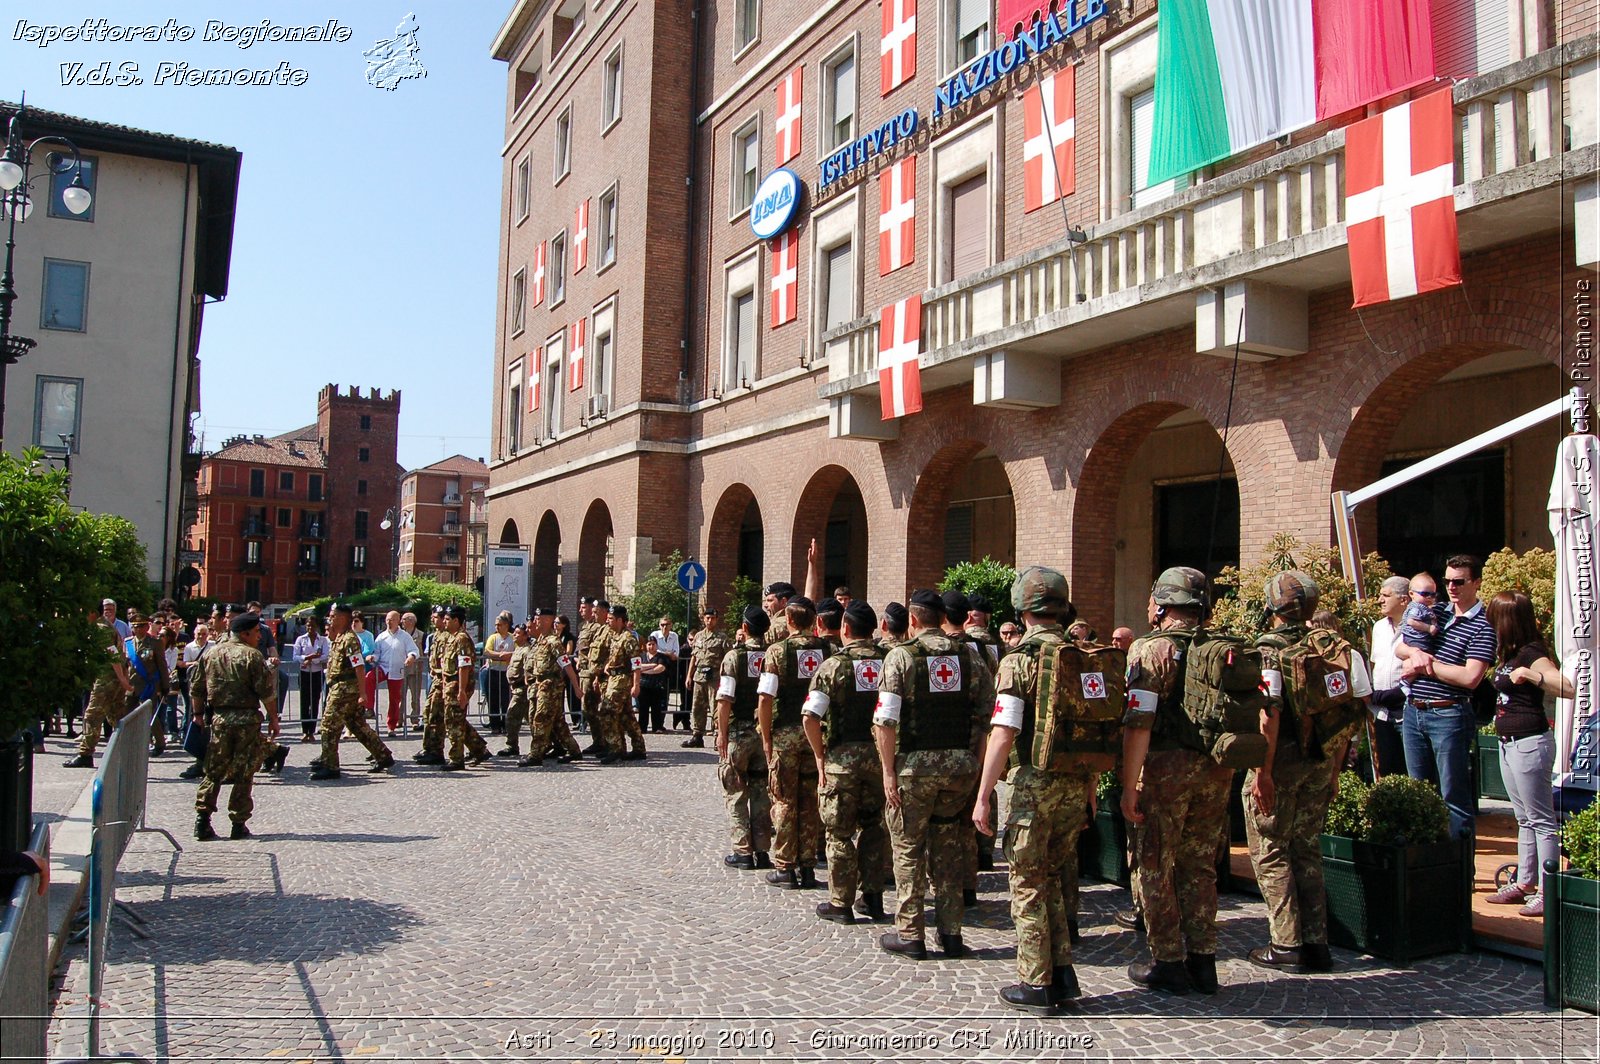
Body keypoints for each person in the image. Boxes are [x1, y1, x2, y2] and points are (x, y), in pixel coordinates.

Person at [973, 565, 1101, 1013]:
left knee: (1027, 884)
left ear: (1022, 610)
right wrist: (1090, 789)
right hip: (1074, 783)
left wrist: (984, 793)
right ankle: (1062, 973)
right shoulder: (1083, 655)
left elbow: (1004, 732)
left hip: (1033, 786)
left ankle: (1035, 981)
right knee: (1055, 882)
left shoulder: (1018, 660)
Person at [1244, 571, 1371, 974]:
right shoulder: (1334, 647)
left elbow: (1269, 714)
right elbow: (1350, 715)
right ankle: (1317, 943)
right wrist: (1333, 769)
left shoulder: (1268, 649)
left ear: (1272, 607)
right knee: (1306, 848)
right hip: (1321, 761)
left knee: (1270, 849)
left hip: (1279, 761)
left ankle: (1285, 944)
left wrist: (1261, 773)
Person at [1121, 567, 1236, 995]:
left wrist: (1129, 784)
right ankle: (1204, 961)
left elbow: (1138, 722)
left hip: (1166, 770)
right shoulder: (1223, 648)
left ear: (1163, 606)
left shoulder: (1150, 650)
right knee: (1200, 865)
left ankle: (1168, 959)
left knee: (1153, 862)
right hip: (1215, 768)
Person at [874, 589, 992, 959]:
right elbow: (989, 717)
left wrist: (888, 771)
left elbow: (885, 720)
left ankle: (911, 933)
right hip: (959, 770)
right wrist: (975, 765)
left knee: (908, 849)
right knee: (949, 849)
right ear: (942, 619)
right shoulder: (971, 657)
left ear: (912, 619)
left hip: (913, 770)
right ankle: (952, 933)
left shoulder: (900, 658)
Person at [1396, 555, 1497, 839]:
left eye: (1459, 581)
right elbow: (1400, 648)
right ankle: (1425, 865)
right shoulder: (1435, 612)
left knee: (1454, 797)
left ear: (1476, 583)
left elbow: (1470, 678)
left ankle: (1460, 873)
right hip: (1414, 711)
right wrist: (1415, 654)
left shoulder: (1484, 626)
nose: (1451, 587)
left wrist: (1427, 665)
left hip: (1449, 714)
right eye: (1447, 581)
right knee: (1418, 795)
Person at [1483, 590, 1571, 918]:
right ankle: (1524, 882)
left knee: (1542, 820)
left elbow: (1567, 686)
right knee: (1523, 819)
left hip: (1530, 743)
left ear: (1507, 620)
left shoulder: (1532, 652)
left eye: (1494, 618)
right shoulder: (1507, 652)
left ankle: (1548, 891)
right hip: (1508, 744)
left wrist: (1532, 675)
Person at [805, 601, 891, 925]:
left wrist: (819, 755)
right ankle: (873, 897)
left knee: (839, 832)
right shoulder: (889, 661)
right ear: (875, 629)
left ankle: (841, 902)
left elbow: (811, 716)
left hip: (841, 760)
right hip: (878, 759)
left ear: (844, 629)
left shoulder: (834, 666)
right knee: (874, 828)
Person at [758, 596, 829, 890]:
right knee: (810, 800)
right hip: (817, 735)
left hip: (786, 734)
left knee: (785, 800)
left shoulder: (777, 652)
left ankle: (785, 866)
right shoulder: (828, 649)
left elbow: (765, 697)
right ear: (815, 622)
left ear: (788, 622)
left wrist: (765, 737)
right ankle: (809, 865)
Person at [190, 611, 279, 840]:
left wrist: (198, 714)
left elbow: (197, 688)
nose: (260, 636)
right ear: (245, 633)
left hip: (219, 719)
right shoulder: (252, 656)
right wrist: (274, 719)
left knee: (213, 771)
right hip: (246, 721)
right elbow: (266, 692)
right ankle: (238, 824)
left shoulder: (211, 654)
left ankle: (202, 820)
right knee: (244, 772)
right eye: (257, 632)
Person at [309, 604, 395, 780]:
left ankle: (331, 765)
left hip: (345, 689)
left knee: (328, 726)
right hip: (339, 687)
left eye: (333, 616)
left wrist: (363, 694)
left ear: (342, 618)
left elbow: (359, 666)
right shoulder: (339, 638)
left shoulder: (349, 639)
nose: (330, 619)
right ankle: (383, 755)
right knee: (357, 725)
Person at [717, 607, 774, 870]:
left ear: (745, 627)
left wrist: (721, 734)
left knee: (736, 791)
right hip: (764, 733)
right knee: (762, 792)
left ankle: (742, 850)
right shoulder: (774, 653)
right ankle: (763, 850)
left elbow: (725, 699)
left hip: (739, 732)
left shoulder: (734, 657)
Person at [65, 607, 133, 768]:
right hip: (112, 676)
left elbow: (112, 653)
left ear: (92, 612)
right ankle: (129, 750)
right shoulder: (105, 626)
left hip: (107, 677)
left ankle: (85, 753)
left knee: (92, 714)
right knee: (116, 714)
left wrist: (122, 679)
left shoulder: (100, 629)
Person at [522, 608, 584, 767]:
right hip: (539, 684)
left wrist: (576, 687)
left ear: (548, 620)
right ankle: (574, 751)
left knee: (541, 719)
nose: (536, 621)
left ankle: (536, 754)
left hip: (550, 687)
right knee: (558, 723)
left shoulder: (554, 642)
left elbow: (566, 665)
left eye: (539, 618)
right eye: (536, 618)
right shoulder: (540, 640)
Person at [1367, 576, 1412, 777]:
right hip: (1382, 713)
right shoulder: (1378, 628)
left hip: (1407, 711)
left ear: (1404, 600)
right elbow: (1376, 664)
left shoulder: (1416, 628)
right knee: (1387, 769)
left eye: (1386, 595)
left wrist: (1398, 693)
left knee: (1410, 769)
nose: (1380, 600)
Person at [438, 605, 493, 770]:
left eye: (448, 619)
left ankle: (456, 758)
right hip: (450, 684)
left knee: (453, 721)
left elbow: (464, 666)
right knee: (457, 720)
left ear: (456, 620)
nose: (444, 622)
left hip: (457, 685)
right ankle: (479, 749)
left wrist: (461, 690)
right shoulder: (451, 637)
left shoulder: (462, 639)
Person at [600, 604, 646, 763]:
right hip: (613, 678)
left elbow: (636, 662)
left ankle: (616, 748)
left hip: (622, 681)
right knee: (626, 716)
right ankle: (639, 748)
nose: (608, 622)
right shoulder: (615, 636)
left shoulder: (628, 638)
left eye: (611, 619)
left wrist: (636, 684)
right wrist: (608, 665)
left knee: (607, 711)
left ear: (620, 620)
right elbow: (615, 657)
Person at [683, 609, 729, 749]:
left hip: (714, 677)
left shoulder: (722, 637)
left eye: (712, 618)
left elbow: (727, 658)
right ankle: (697, 735)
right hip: (699, 676)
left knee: (715, 708)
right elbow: (694, 657)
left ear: (717, 619)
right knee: (697, 707)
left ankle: (718, 736)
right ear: (703, 619)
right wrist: (689, 676)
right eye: (707, 618)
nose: (710, 621)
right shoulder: (698, 636)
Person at [374, 610, 420, 735]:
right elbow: (377, 653)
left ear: (398, 620)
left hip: (397, 670)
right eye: (387, 620)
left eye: (392, 620)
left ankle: (391, 725)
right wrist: (373, 657)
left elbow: (414, 650)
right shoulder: (381, 637)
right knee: (369, 678)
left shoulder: (404, 636)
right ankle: (368, 707)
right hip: (383, 668)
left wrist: (411, 657)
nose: (389, 622)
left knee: (395, 699)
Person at [294, 618, 330, 742]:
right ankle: (305, 731)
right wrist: (307, 657)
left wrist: (314, 660)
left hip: (317, 673)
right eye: (308, 626)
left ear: (317, 627)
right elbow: (295, 656)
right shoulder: (300, 639)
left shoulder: (323, 640)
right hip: (304, 673)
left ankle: (312, 731)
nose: (310, 628)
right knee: (304, 702)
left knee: (315, 702)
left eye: (313, 626)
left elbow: (326, 655)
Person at [484, 612, 516, 734]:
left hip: (506, 673)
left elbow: (517, 651)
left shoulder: (512, 638)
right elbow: (487, 652)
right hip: (493, 671)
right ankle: (494, 725)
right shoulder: (493, 638)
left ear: (506, 625)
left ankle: (506, 724)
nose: (497, 627)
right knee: (493, 700)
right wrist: (501, 656)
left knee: (506, 700)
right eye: (496, 625)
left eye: (500, 625)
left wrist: (509, 655)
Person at [638, 636, 672, 733]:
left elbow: (660, 668)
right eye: (649, 644)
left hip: (656, 686)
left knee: (656, 708)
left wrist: (645, 671)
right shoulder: (642, 656)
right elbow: (637, 667)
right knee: (643, 708)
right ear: (646, 646)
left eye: (653, 644)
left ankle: (657, 727)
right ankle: (642, 727)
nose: (651, 647)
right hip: (643, 685)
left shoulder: (661, 657)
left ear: (656, 645)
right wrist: (652, 665)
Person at [554, 614, 581, 726]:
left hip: (567, 669)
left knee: (572, 696)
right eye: (554, 622)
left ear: (564, 625)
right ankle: (559, 718)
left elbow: (568, 652)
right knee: (558, 696)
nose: (555, 625)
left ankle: (576, 718)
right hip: (556, 671)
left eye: (558, 623)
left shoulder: (568, 637)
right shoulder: (553, 636)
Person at [400, 612, 426, 728]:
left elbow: (424, 652)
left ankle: (414, 719)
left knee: (415, 697)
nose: (401, 622)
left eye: (404, 619)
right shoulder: (399, 634)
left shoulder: (421, 635)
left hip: (415, 670)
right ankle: (399, 719)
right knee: (400, 696)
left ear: (411, 621)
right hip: (401, 670)